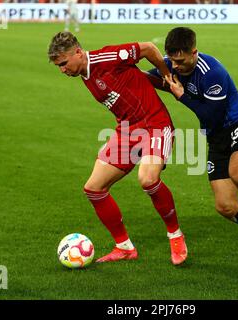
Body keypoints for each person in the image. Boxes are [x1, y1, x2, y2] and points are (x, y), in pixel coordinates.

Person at [147, 27, 238, 263]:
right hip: (216, 138)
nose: (176, 67)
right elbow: (150, 76)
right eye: (172, 61)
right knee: (225, 206)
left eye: (181, 61)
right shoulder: (172, 64)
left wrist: (182, 96)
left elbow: (211, 115)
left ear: (194, 52)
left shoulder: (212, 72)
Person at [47, 32, 187, 265]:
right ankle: (124, 247)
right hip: (127, 130)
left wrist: (168, 77)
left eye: (63, 63)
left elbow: (149, 49)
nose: (62, 70)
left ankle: (175, 235)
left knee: (148, 179)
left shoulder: (108, 57)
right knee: (93, 188)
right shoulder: (85, 73)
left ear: (79, 53)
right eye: (58, 66)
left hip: (154, 123)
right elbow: (134, 78)